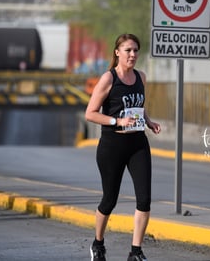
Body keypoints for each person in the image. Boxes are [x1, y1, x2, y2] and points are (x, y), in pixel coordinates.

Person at [85, 34, 161, 261]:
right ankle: (98, 244)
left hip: (137, 143)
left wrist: (148, 121)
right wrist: (116, 121)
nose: (133, 55)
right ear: (117, 52)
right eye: (128, 50)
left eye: (136, 50)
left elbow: (139, 105)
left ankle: (136, 252)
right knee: (110, 199)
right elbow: (90, 113)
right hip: (112, 145)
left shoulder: (141, 77)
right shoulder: (109, 79)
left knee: (144, 199)